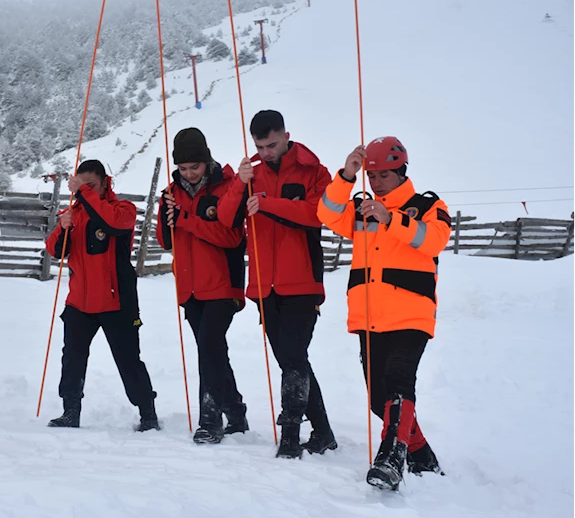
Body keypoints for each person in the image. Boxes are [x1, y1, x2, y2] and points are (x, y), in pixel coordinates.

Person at [317, 136, 451, 490]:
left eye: (383, 176)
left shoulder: (427, 205)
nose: (375, 184)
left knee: (398, 383)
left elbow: (433, 241)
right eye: (371, 177)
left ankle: (391, 458)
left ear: (401, 172)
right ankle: (420, 453)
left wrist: (390, 218)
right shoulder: (362, 209)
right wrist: (346, 175)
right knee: (380, 399)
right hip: (369, 317)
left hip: (411, 315)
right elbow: (326, 213)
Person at [217, 110, 337, 459]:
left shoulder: (315, 170)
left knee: (294, 357)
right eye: (260, 146)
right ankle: (324, 432)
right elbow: (226, 220)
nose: (266, 152)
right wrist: (239, 183)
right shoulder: (250, 174)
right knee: (290, 359)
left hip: (303, 281)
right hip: (263, 287)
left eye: (271, 144)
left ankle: (290, 434)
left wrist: (269, 205)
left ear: (287, 135)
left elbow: (319, 214)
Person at [45, 159, 159, 431]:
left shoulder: (123, 209)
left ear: (105, 182)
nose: (85, 190)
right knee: (72, 357)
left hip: (116, 300)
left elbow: (114, 223)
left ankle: (148, 414)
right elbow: (55, 251)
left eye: (91, 186)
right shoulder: (74, 213)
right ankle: (70, 411)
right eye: (81, 186)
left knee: (128, 359)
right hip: (79, 301)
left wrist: (84, 195)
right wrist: (63, 227)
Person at [155, 127, 249, 444]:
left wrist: (185, 219)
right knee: (212, 351)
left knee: (209, 347)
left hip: (224, 284)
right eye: (183, 168)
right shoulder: (171, 193)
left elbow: (231, 236)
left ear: (206, 160)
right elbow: (165, 241)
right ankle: (236, 412)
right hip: (190, 288)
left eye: (194, 167)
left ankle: (211, 421)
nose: (190, 173)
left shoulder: (226, 188)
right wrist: (165, 214)